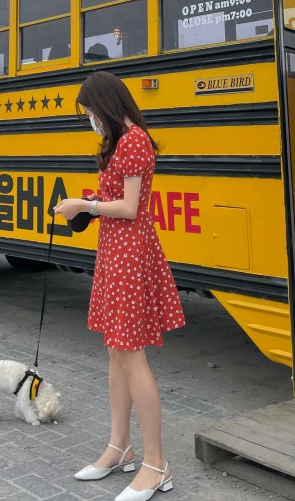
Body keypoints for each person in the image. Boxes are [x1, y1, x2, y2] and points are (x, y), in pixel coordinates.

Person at [54, 71, 185, 501]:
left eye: (91, 111)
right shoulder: (124, 142)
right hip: (116, 252)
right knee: (117, 353)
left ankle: (156, 464)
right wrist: (89, 207)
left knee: (131, 356)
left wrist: (84, 205)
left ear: (106, 105)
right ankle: (119, 447)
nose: (90, 119)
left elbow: (130, 208)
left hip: (129, 254)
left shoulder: (134, 142)